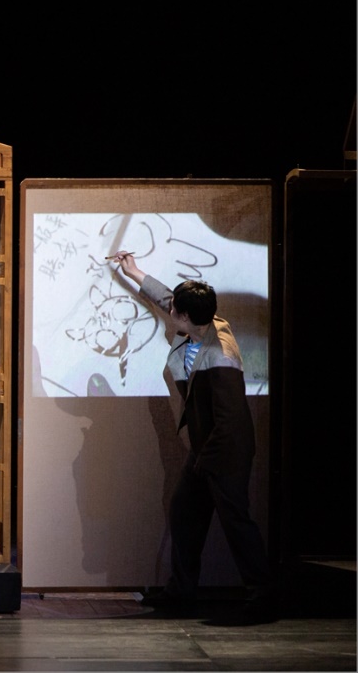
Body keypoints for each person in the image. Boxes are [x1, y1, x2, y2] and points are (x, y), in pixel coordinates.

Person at [111, 251, 276, 623]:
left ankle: (262, 595)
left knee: (235, 521)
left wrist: (206, 462)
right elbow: (170, 299)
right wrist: (135, 272)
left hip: (225, 451)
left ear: (185, 318)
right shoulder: (203, 320)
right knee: (185, 512)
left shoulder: (220, 357)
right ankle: (182, 590)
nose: (171, 311)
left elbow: (230, 421)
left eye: (176, 311)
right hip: (205, 449)